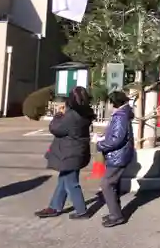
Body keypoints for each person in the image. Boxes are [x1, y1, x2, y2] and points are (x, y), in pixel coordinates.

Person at [35, 87, 95, 220]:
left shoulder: (72, 115)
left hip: (69, 154)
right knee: (63, 180)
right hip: (78, 152)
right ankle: (54, 207)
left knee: (71, 183)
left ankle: (82, 211)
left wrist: (58, 115)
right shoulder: (86, 112)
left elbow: (55, 128)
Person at [97, 91, 135, 228]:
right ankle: (116, 212)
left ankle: (116, 216)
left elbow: (116, 139)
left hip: (118, 155)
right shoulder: (122, 114)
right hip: (119, 154)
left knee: (106, 184)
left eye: (109, 102)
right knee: (113, 184)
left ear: (114, 103)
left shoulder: (120, 116)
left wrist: (100, 144)